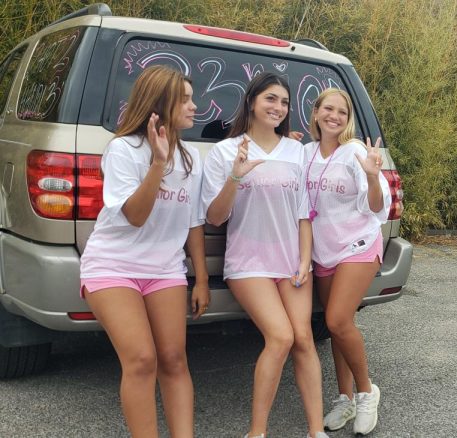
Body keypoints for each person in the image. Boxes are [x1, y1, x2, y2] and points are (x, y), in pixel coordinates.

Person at [79, 65, 208, 438]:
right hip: (112, 266)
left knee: (173, 359)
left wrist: (200, 279)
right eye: (184, 99)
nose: (194, 106)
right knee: (141, 359)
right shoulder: (123, 150)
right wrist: (157, 162)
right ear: (160, 104)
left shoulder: (192, 158)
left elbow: (193, 222)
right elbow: (135, 216)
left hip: (165, 268)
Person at [202, 73, 326, 438]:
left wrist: (305, 260)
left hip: (291, 260)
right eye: (271, 99)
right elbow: (215, 216)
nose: (278, 107)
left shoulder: (296, 151)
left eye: (284, 102)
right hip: (248, 263)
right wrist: (236, 177)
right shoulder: (227, 151)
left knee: (303, 337)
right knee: (281, 336)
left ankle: (316, 431)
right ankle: (256, 433)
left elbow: (304, 213)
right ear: (252, 101)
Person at [305, 88, 390, 436]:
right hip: (323, 249)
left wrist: (371, 176)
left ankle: (367, 391)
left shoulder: (355, 151)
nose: (335, 116)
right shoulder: (305, 153)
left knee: (338, 320)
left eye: (342, 111)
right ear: (316, 113)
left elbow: (376, 207)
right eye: (328, 109)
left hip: (358, 244)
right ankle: (345, 398)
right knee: (336, 326)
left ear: (348, 118)